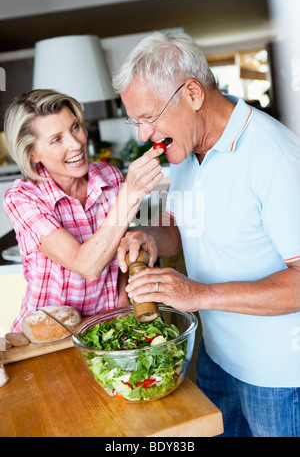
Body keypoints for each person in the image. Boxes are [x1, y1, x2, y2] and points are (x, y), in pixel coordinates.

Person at [112, 31, 300, 437]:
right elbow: (182, 228)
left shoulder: (276, 157)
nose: (143, 135)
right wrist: (150, 238)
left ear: (192, 93)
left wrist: (200, 295)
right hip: (215, 358)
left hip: (278, 378)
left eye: (149, 117)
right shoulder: (185, 149)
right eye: (136, 121)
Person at [3, 89, 164, 332]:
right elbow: (86, 266)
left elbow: (118, 244)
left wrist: (123, 305)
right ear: (33, 154)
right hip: (49, 336)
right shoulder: (22, 198)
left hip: (108, 326)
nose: (76, 143)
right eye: (57, 139)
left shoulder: (109, 176)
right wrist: (131, 192)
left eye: (75, 127)